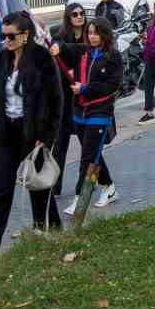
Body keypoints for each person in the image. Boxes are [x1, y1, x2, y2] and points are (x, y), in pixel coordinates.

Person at [0, 11, 63, 258]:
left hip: (33, 133)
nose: (6, 40)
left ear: (26, 34)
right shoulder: (1, 60)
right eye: (3, 35)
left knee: (38, 186)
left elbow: (56, 101)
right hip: (5, 133)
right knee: (0, 190)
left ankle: (48, 231)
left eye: (11, 36)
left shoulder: (42, 59)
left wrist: (47, 136)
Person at [51, 18, 123, 210]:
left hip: (100, 112)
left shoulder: (113, 57)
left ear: (105, 34)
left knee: (87, 158)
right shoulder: (83, 51)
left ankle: (79, 200)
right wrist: (56, 47)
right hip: (79, 112)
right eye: (90, 32)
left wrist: (85, 88)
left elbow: (112, 86)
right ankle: (109, 188)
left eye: (96, 33)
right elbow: (62, 45)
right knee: (93, 153)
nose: (92, 37)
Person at [50, 3, 89, 202]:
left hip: (85, 97)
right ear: (68, 17)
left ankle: (85, 185)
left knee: (87, 143)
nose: (79, 17)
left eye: (82, 13)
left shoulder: (91, 33)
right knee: (60, 142)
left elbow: (90, 50)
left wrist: (66, 49)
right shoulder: (59, 35)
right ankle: (55, 186)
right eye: (75, 14)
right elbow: (54, 60)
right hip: (66, 97)